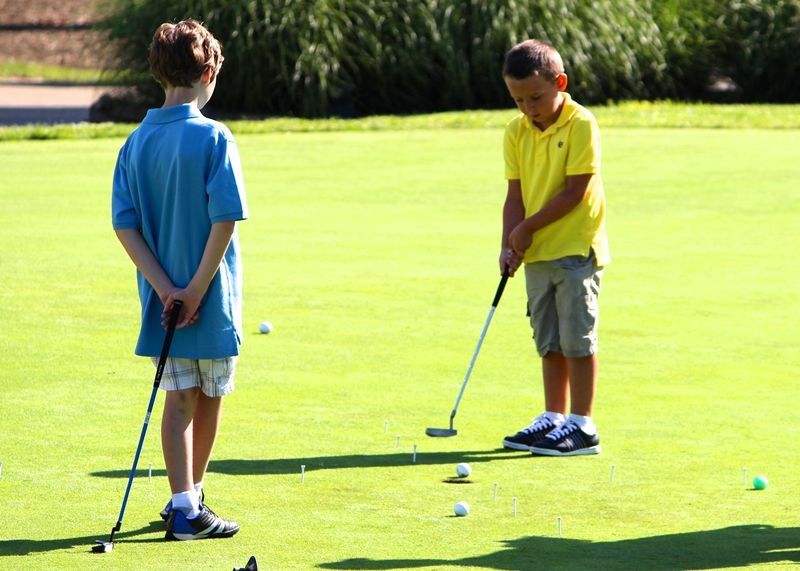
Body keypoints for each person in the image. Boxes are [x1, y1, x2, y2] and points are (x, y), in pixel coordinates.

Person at [111, 19, 248, 539]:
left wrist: (167, 288)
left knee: (185, 397)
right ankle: (188, 506)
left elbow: (125, 226)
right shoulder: (215, 135)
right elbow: (226, 219)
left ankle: (186, 495)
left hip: (164, 301)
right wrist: (193, 288)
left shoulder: (135, 141)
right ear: (209, 72)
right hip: (208, 300)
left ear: (157, 73)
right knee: (204, 396)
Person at [498, 39, 609, 456]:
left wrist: (526, 229)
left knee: (577, 339)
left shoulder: (581, 123)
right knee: (549, 339)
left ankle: (583, 425)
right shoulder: (516, 130)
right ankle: (554, 417)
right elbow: (515, 194)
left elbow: (576, 192)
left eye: (536, 97)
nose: (528, 107)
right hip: (538, 252)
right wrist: (510, 242)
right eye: (518, 100)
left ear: (560, 82)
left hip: (576, 248)